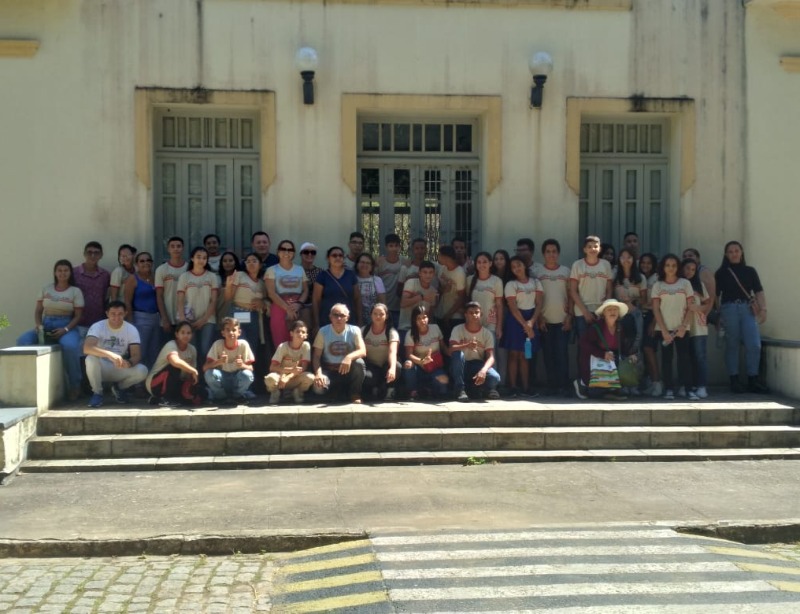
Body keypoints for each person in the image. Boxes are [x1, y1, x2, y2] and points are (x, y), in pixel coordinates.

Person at [16, 259, 84, 401]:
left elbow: (78, 316)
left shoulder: (75, 291)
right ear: (55, 272)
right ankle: (27, 383)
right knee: (22, 341)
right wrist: (39, 325)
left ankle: (75, 385)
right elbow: (38, 311)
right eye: (59, 270)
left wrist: (65, 329)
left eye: (66, 270)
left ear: (70, 273)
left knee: (70, 347)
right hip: (46, 324)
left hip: (67, 325)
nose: (62, 273)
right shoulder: (46, 289)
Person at [714, 240, 769, 394]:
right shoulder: (721, 273)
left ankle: (753, 379)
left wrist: (763, 309)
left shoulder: (750, 271)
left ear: (741, 252)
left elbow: (758, 291)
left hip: (747, 309)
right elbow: (716, 296)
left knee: (754, 344)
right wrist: (718, 315)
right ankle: (734, 380)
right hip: (729, 308)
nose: (734, 254)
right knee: (732, 345)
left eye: (736, 250)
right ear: (726, 254)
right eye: (730, 251)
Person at [83, 300, 148, 408]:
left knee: (143, 370)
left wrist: (130, 362)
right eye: (113, 314)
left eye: (120, 314)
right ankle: (97, 393)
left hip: (119, 366)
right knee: (90, 359)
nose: (116, 318)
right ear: (107, 313)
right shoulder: (98, 326)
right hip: (100, 367)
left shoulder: (131, 329)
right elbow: (87, 348)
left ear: (125, 314)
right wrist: (110, 355)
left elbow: (136, 354)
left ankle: (119, 388)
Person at [651, 254, 696, 400]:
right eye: (667, 265)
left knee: (685, 359)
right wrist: (664, 330)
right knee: (666, 359)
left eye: (674, 265)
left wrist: (684, 326)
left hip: (682, 329)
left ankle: (687, 389)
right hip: (664, 329)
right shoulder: (658, 285)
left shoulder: (685, 284)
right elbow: (656, 309)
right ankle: (669, 389)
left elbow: (691, 307)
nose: (671, 268)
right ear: (663, 267)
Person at [573, 299, 636, 401]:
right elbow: (584, 344)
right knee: (594, 393)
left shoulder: (620, 327)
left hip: (611, 361)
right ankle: (581, 384)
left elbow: (623, 346)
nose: (612, 312)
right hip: (594, 361)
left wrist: (630, 354)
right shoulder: (596, 327)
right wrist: (602, 354)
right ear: (604, 313)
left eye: (615, 310)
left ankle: (610, 391)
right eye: (609, 310)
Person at [533, 239, 573, 397]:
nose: (551, 254)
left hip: (563, 321)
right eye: (548, 251)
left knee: (562, 354)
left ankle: (563, 385)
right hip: (545, 321)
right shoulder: (537, 272)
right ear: (543, 254)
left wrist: (570, 316)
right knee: (548, 355)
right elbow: (536, 298)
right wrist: (539, 318)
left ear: (558, 253)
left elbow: (571, 295)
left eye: (554, 251)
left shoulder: (565, 271)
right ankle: (551, 386)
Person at [504, 255, 543, 397]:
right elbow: (513, 307)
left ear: (525, 265)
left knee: (526, 355)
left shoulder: (536, 282)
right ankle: (513, 387)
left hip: (531, 318)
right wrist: (525, 325)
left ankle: (526, 387)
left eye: (518, 265)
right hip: (515, 321)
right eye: (513, 267)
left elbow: (539, 304)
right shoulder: (511, 285)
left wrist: (532, 322)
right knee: (514, 354)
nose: (516, 269)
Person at [311, 303, 367, 403]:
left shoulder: (355, 330)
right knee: (318, 389)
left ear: (347, 317)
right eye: (335, 315)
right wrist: (318, 374)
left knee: (359, 363)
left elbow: (363, 351)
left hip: (348, 371)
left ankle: (355, 394)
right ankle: (333, 392)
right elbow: (316, 356)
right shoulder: (323, 331)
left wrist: (348, 357)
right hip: (329, 370)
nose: (339, 318)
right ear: (330, 317)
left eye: (342, 315)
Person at [449, 301, 501, 401]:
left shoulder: (487, 333)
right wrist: (467, 345)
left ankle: (475, 388)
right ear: (465, 315)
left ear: (481, 314)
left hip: (477, 365)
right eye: (471, 313)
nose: (474, 315)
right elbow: (450, 349)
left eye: (476, 312)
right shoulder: (457, 329)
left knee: (495, 378)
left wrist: (483, 370)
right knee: (458, 354)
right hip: (461, 365)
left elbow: (491, 357)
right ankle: (460, 390)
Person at [466, 252, 504, 384]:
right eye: (479, 262)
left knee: (491, 354)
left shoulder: (496, 281)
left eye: (485, 262)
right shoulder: (470, 280)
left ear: (490, 264)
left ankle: (493, 386)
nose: (482, 265)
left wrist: (499, 326)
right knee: (475, 353)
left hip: (490, 323)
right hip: (473, 323)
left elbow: (499, 305)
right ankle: (475, 383)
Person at [176, 246, 220, 360]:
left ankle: (205, 376)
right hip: (189, 319)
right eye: (198, 257)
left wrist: (204, 319)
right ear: (192, 258)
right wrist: (182, 319)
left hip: (208, 319)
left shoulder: (212, 276)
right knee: (192, 350)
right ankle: (192, 376)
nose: (201, 260)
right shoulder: (184, 276)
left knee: (206, 350)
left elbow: (214, 300)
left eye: (204, 258)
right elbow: (180, 300)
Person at [145, 321, 201, 408]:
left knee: (196, 396)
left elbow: (191, 375)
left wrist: (190, 389)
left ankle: (157, 399)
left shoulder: (192, 349)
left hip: (176, 382)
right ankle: (166, 399)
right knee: (175, 367)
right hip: (154, 383)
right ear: (176, 334)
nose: (186, 335)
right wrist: (192, 370)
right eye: (182, 332)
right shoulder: (171, 345)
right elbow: (175, 361)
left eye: (189, 333)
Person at [570, 235, 613, 343]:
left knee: (601, 344)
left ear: (600, 249)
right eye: (589, 246)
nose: (592, 249)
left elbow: (609, 290)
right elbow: (573, 291)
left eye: (595, 246)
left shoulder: (606, 265)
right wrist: (585, 312)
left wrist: (604, 309)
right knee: (584, 345)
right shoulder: (577, 265)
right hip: (582, 312)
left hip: (601, 311)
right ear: (584, 249)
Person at [203, 316, 256, 405]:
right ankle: (220, 397)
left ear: (239, 332)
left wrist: (242, 365)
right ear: (223, 333)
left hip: (237, 378)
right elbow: (205, 368)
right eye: (227, 330)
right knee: (209, 374)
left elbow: (251, 368)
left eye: (234, 330)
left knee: (247, 375)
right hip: (223, 379)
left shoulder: (243, 344)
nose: (231, 332)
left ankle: (238, 396)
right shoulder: (217, 344)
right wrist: (218, 362)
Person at [265, 239, 308, 347]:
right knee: (281, 342)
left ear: (294, 253)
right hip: (279, 307)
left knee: (298, 341)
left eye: (290, 250)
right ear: (278, 252)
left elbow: (306, 290)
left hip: (297, 308)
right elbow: (271, 293)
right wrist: (287, 308)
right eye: (283, 249)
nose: (286, 252)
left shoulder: (300, 269)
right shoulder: (271, 270)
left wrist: (298, 304)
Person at [402, 304, 448, 400]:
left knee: (442, 386)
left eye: (425, 317)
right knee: (408, 363)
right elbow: (408, 354)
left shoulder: (435, 328)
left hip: (435, 367)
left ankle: (429, 390)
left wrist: (453, 352)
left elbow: (443, 347)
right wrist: (422, 360)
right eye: (419, 318)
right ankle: (413, 392)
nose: (422, 321)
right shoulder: (410, 334)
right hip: (419, 368)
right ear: (414, 320)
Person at [123, 251, 160, 369]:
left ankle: (151, 382)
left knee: (154, 351)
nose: (146, 263)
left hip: (156, 318)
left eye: (148, 260)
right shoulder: (132, 279)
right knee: (141, 352)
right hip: (140, 319)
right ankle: (138, 383)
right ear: (137, 264)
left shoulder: (156, 277)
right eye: (142, 261)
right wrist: (131, 323)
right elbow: (127, 301)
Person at [312, 246, 361, 333]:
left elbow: (357, 298)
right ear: (328, 258)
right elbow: (316, 300)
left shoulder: (351, 275)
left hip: (348, 320)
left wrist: (360, 320)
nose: (337, 257)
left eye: (340, 255)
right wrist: (316, 323)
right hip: (327, 321)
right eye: (334, 255)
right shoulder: (322, 276)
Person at [265, 319, 314, 405]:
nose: (300, 334)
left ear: (306, 335)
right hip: (280, 378)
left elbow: (303, 368)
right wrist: (289, 371)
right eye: (297, 331)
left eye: (303, 332)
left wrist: (288, 377)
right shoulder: (283, 346)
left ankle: (298, 391)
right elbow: (272, 367)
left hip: (294, 378)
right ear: (291, 333)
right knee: (270, 378)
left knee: (310, 377)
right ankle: (275, 392)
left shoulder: (306, 346)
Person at [225, 253, 264, 355]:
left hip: (254, 315)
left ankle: (248, 369)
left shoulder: (262, 283)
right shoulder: (239, 275)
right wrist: (228, 286)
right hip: (237, 313)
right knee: (238, 343)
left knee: (252, 346)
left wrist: (262, 303)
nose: (251, 263)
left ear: (260, 265)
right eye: (248, 261)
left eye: (254, 261)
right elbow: (228, 298)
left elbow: (267, 300)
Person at [683, 258, 711, 399]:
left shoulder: (699, 286)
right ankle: (689, 385)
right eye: (687, 268)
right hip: (684, 326)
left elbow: (708, 304)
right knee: (687, 358)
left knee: (700, 357)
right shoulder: (679, 285)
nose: (690, 272)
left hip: (699, 327)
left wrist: (698, 308)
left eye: (693, 269)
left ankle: (701, 386)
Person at [361, 303, 399, 402]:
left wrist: (392, 368)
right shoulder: (364, 330)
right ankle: (375, 388)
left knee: (397, 367)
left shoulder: (391, 332)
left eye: (381, 314)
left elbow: (392, 352)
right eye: (375, 313)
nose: (378, 316)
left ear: (386, 316)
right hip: (371, 366)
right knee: (368, 377)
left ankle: (390, 390)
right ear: (371, 315)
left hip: (385, 365)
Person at [74, 241, 111, 338]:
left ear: (101, 255)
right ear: (84, 254)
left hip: (99, 322)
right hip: (78, 322)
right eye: (89, 252)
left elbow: (107, 298)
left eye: (96, 253)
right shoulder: (74, 273)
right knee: (80, 351)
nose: (93, 255)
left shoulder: (105, 275)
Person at [155, 236, 188, 341]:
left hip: (186, 317)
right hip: (168, 317)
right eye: (172, 246)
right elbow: (159, 296)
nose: (176, 249)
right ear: (168, 249)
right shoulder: (161, 269)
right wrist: (164, 318)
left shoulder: (189, 268)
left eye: (178, 246)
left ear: (183, 248)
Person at [638, 252, 661, 395]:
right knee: (639, 351)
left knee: (648, 349)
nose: (645, 265)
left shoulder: (658, 279)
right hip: (640, 316)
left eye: (649, 263)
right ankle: (644, 382)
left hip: (653, 316)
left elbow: (661, 303)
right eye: (643, 262)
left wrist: (654, 322)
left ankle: (656, 383)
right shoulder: (638, 278)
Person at [398, 260, 439, 333]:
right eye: (425, 272)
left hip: (423, 330)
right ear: (419, 273)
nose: (428, 275)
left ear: (434, 274)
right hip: (406, 328)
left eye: (430, 272)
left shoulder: (433, 291)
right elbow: (403, 303)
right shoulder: (411, 282)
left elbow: (430, 314)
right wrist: (422, 297)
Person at [436, 245, 466, 340]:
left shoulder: (459, 273)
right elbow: (439, 289)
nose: (438, 257)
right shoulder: (442, 269)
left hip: (454, 316)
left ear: (446, 257)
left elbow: (462, 297)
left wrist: (448, 315)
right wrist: (443, 289)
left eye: (439, 255)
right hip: (440, 313)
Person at [375, 233, 405, 327]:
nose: (394, 249)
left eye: (396, 246)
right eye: (391, 246)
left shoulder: (405, 261)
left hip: (399, 306)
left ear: (399, 247)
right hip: (383, 304)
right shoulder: (379, 262)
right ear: (386, 247)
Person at [682, 247, 717, 319]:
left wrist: (705, 315)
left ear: (698, 258)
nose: (687, 258)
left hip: (700, 311)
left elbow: (711, 297)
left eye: (690, 255)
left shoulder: (704, 272)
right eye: (684, 256)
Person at [355, 253, 386, 327]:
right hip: (355, 318)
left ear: (372, 266)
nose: (365, 265)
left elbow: (382, 301)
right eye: (362, 262)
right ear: (357, 264)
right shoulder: (352, 279)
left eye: (368, 263)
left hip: (374, 319)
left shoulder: (377, 280)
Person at [299, 242, 322, 333]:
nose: (309, 254)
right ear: (301, 254)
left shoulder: (320, 272)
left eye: (312, 252)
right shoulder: (296, 270)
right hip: (302, 309)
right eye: (306, 252)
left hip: (318, 308)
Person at [216, 250, 241, 324]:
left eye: (231, 260)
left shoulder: (242, 276)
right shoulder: (216, 278)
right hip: (221, 313)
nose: (228, 263)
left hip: (239, 313)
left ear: (235, 262)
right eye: (225, 261)